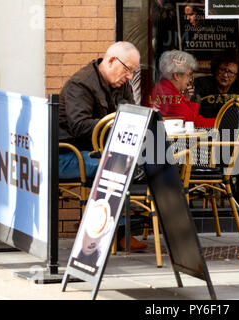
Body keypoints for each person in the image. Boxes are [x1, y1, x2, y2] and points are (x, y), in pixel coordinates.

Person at [59, 41, 147, 251]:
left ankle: (106, 227)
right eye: (128, 70)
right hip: (66, 155)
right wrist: (115, 123)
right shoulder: (80, 85)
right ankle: (114, 233)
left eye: (133, 72)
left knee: (140, 164)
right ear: (111, 61)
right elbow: (79, 126)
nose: (129, 77)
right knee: (115, 168)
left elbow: (131, 114)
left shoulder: (120, 83)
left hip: (93, 152)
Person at [147, 49, 215, 127]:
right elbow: (193, 122)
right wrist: (222, 121)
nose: (190, 79)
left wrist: (186, 100)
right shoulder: (169, 95)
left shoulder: (162, 89)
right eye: (189, 74)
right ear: (177, 76)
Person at [193, 51, 239, 119]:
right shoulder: (200, 84)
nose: (225, 75)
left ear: (237, 75)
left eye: (230, 72)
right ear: (216, 69)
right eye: (222, 70)